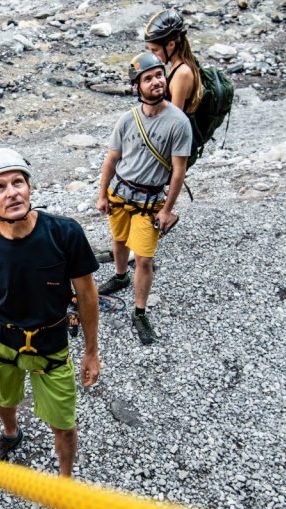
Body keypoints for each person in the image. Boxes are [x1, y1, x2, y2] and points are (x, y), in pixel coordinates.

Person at [0, 148, 100, 495]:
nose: (12, 193)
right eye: (0, 187)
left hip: (51, 344)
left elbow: (87, 295)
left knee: (64, 424)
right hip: (2, 342)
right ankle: (11, 434)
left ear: (30, 186)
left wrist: (91, 352)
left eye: (17, 182)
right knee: (4, 399)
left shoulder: (64, 233)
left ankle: (65, 482)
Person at [96, 53, 193, 345]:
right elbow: (112, 158)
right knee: (118, 241)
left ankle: (139, 312)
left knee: (146, 259)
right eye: (148, 78)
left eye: (159, 75)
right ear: (137, 86)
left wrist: (167, 210)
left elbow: (178, 172)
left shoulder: (178, 122)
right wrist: (102, 193)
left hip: (150, 203)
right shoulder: (128, 119)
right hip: (120, 195)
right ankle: (120, 275)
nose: (156, 82)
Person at [144, 8, 202, 115]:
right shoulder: (177, 65)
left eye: (155, 50)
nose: (153, 55)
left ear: (171, 45)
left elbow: (175, 120)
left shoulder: (182, 74)